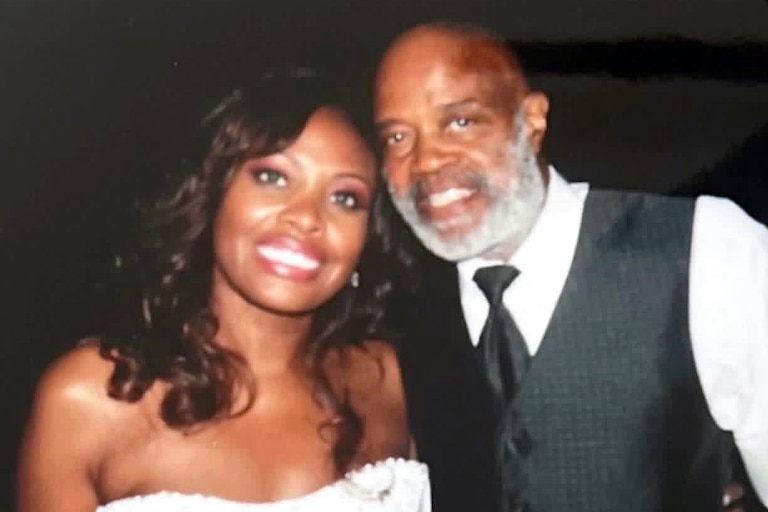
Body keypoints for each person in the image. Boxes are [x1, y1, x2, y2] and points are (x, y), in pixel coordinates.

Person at [373, 22, 768, 512]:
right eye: (396, 137)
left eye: (460, 122)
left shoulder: (702, 248)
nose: (426, 161)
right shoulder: (397, 314)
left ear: (531, 121)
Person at [16, 68, 430, 512]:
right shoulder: (88, 398)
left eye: (346, 198)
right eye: (273, 177)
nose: (306, 217)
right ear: (212, 195)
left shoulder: (387, 381)